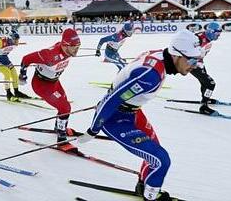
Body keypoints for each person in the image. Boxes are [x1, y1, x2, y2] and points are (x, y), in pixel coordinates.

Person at [78, 30, 202, 201]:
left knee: (154, 152)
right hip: (115, 118)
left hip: (133, 112)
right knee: (161, 160)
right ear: (176, 55)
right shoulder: (150, 75)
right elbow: (113, 98)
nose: (195, 65)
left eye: (198, 60)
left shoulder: (162, 56)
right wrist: (94, 128)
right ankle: (150, 197)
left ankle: (144, 186)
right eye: (192, 60)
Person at [19, 28, 81, 152]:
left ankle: (59, 127)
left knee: (63, 106)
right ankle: (61, 140)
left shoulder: (68, 50)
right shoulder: (49, 54)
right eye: (74, 47)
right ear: (65, 45)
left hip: (54, 82)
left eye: (78, 46)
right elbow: (26, 59)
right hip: (41, 85)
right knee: (65, 107)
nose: (77, 49)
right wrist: (22, 75)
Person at [191, 22, 222, 115]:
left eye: (219, 34)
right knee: (210, 84)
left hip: (198, 63)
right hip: (191, 64)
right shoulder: (199, 38)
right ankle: (203, 107)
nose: (218, 36)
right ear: (211, 32)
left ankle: (205, 99)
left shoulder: (208, 39)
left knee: (205, 82)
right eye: (217, 34)